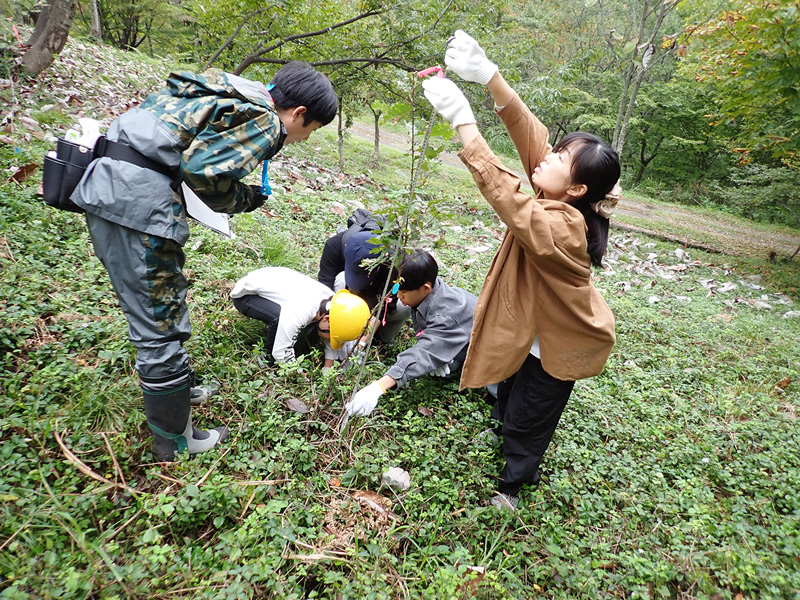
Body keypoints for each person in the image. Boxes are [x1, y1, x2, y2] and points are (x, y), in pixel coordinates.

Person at [71, 61, 338, 462]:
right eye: (311, 130)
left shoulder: (229, 91)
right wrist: (244, 199)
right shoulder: (266, 121)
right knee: (159, 322)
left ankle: (179, 390)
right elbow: (202, 172)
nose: (303, 138)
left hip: (114, 184)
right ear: (299, 114)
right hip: (137, 206)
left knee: (163, 304)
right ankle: (176, 441)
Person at [422, 30, 620, 510]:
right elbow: (532, 134)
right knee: (508, 395)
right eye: (557, 151)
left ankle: (512, 485)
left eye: (560, 159)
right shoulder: (556, 189)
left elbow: (510, 200)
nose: (548, 156)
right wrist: (488, 74)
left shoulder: (566, 227)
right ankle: (503, 430)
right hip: (529, 330)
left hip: (561, 342)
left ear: (576, 188)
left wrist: (463, 122)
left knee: (531, 417)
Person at [344, 250, 477, 417]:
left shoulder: (445, 314)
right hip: (459, 337)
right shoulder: (428, 289)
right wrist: (438, 348)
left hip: (487, 354)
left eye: (404, 292)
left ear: (425, 288)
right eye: (398, 289)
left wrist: (378, 387)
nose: (398, 296)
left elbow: (421, 354)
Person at [230, 267, 370, 367]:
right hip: (246, 295)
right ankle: (267, 361)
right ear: (326, 319)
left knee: (310, 329)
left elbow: (333, 331)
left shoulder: (332, 303)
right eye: (330, 335)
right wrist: (297, 371)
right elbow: (281, 352)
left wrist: (328, 367)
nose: (327, 339)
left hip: (272, 281)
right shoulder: (301, 310)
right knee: (278, 320)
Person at [318, 229, 411, 344]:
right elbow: (324, 287)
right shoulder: (335, 246)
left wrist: (361, 344)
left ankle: (381, 339)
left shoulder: (392, 261)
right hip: (350, 304)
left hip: (376, 299)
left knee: (403, 307)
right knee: (341, 279)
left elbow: (385, 305)